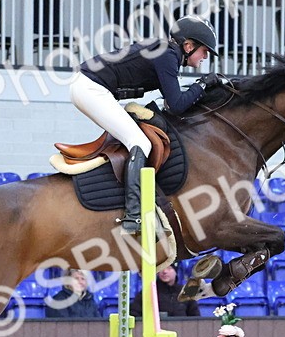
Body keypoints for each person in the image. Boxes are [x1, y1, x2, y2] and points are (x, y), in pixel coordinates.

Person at [69, 15, 227, 234]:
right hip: (91, 88)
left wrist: (202, 88)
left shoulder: (167, 53)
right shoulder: (167, 55)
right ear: (188, 45)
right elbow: (178, 104)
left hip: (89, 87)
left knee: (137, 138)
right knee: (140, 142)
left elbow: (172, 105)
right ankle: (134, 215)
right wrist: (202, 84)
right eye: (204, 51)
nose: (205, 57)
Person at [130, 265, 200, 318]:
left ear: (176, 272)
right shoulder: (149, 292)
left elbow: (196, 318)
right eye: (161, 268)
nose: (164, 271)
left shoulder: (186, 292)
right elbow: (134, 314)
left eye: (169, 268)